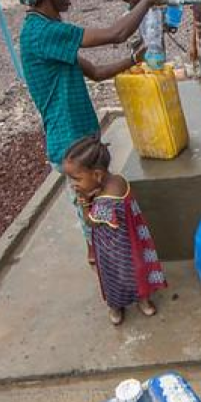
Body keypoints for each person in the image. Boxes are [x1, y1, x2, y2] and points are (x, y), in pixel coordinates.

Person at [13, 0, 161, 171]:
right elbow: (117, 34)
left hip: (82, 143)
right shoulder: (44, 33)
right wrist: (147, 0)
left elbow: (96, 73)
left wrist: (134, 60)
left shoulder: (42, 30)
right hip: (73, 150)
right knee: (100, 204)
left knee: (104, 204)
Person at [62, 135, 167, 325]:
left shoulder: (105, 201)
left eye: (76, 179)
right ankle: (142, 300)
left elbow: (90, 222)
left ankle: (116, 306)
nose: (73, 185)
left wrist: (85, 201)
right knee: (138, 271)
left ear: (97, 175)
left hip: (112, 249)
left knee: (114, 277)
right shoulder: (118, 181)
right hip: (133, 242)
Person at [113, 0, 168, 71]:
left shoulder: (154, 10)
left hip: (159, 64)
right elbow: (139, 46)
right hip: (142, 69)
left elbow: (169, 25)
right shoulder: (127, 19)